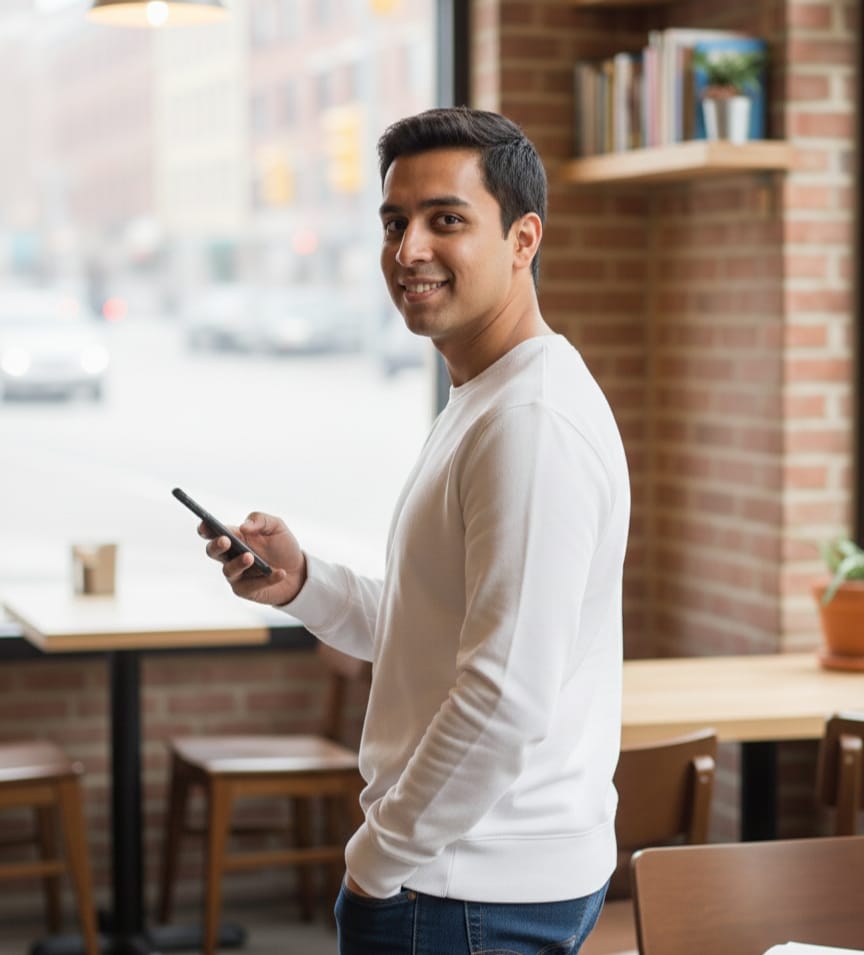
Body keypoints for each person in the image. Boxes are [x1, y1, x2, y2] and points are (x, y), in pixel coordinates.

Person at [202, 106, 631, 955]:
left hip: (465, 888)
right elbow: (438, 630)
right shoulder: (490, 395)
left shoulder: (530, 421)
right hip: (465, 875)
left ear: (523, 239)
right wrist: (304, 583)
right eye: (396, 223)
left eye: (447, 220)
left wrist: (378, 856)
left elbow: (504, 693)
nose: (408, 251)